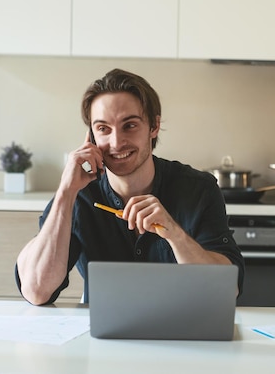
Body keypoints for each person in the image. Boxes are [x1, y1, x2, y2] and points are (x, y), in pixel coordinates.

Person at [15, 68, 245, 305]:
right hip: (103, 338)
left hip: (183, 334)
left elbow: (227, 289)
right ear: (92, 137)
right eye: (103, 129)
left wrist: (175, 234)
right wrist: (65, 192)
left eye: (130, 125)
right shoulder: (78, 196)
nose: (116, 143)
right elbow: (37, 291)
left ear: (153, 126)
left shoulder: (199, 190)